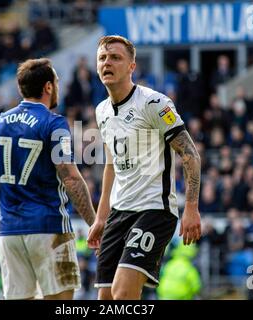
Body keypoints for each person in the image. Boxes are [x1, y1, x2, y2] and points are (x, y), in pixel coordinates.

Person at [87, 35, 202, 300]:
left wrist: (192, 208)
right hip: (119, 212)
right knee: (105, 298)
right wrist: (101, 217)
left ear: (131, 66)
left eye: (115, 57)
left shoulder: (154, 103)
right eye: (102, 58)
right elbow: (110, 165)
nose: (107, 63)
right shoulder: (101, 110)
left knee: (123, 294)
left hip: (153, 209)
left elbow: (190, 153)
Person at [0, 58, 96, 300]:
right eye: (57, 81)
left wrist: (19, 179)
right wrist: (95, 224)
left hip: (9, 232)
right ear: (48, 87)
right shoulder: (54, 123)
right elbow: (71, 179)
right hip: (49, 228)